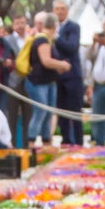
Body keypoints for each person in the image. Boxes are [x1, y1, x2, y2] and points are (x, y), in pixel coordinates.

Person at [20, 10, 68, 146]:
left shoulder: (49, 40)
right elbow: (46, 61)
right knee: (40, 112)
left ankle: (47, 141)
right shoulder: (42, 39)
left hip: (49, 82)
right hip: (38, 82)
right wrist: (62, 65)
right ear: (54, 25)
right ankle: (31, 142)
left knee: (48, 113)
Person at [51, 0, 85, 146]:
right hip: (57, 77)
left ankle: (78, 141)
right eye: (57, 9)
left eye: (62, 8)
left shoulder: (73, 27)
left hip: (72, 76)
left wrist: (56, 37)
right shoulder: (49, 29)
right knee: (61, 110)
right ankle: (66, 140)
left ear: (67, 10)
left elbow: (71, 47)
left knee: (75, 111)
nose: (60, 11)